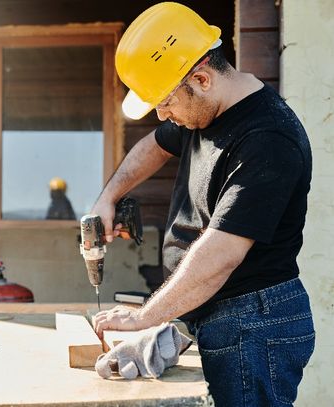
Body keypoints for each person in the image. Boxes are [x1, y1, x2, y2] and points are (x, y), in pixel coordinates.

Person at [92, 3, 315, 406]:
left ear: (201, 77)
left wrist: (146, 317)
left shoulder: (268, 140)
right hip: (216, 309)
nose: (163, 114)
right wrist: (109, 195)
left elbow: (222, 254)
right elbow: (155, 146)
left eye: (165, 101)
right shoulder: (204, 109)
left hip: (253, 324)